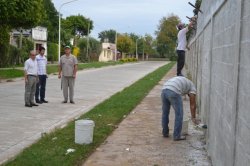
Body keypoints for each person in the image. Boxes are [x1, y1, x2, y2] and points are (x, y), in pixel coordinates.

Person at [161, 76, 199, 141]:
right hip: (174, 90)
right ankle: (176, 135)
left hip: (164, 90)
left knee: (165, 112)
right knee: (179, 114)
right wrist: (193, 117)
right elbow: (192, 104)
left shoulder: (185, 81)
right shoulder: (192, 88)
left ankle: (165, 132)